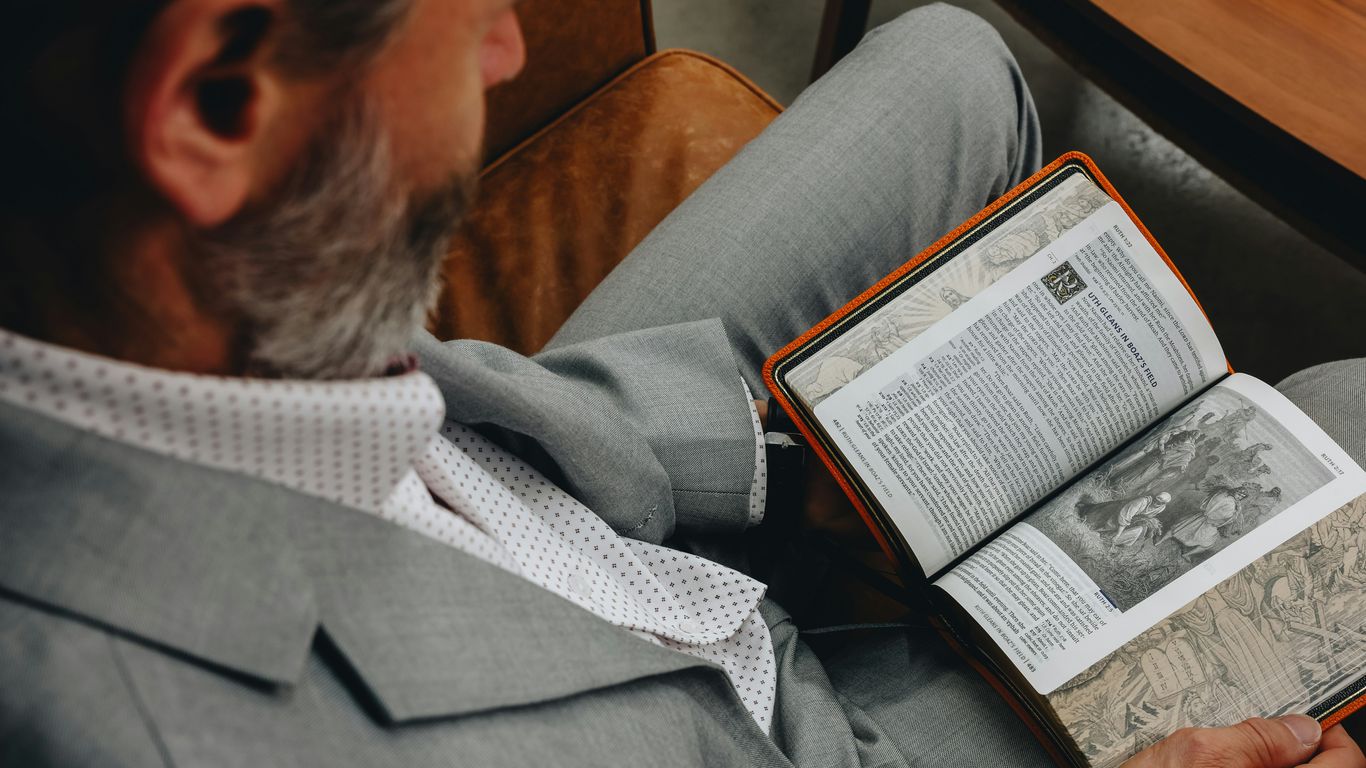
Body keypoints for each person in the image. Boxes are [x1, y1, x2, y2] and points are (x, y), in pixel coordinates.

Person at [1, 1, 1363, 766]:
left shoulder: (136, 313)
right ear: (219, 105)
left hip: (599, 508)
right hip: (789, 739)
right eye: (454, 7)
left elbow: (429, 424)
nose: (506, 46)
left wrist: (775, 453)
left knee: (950, 63)